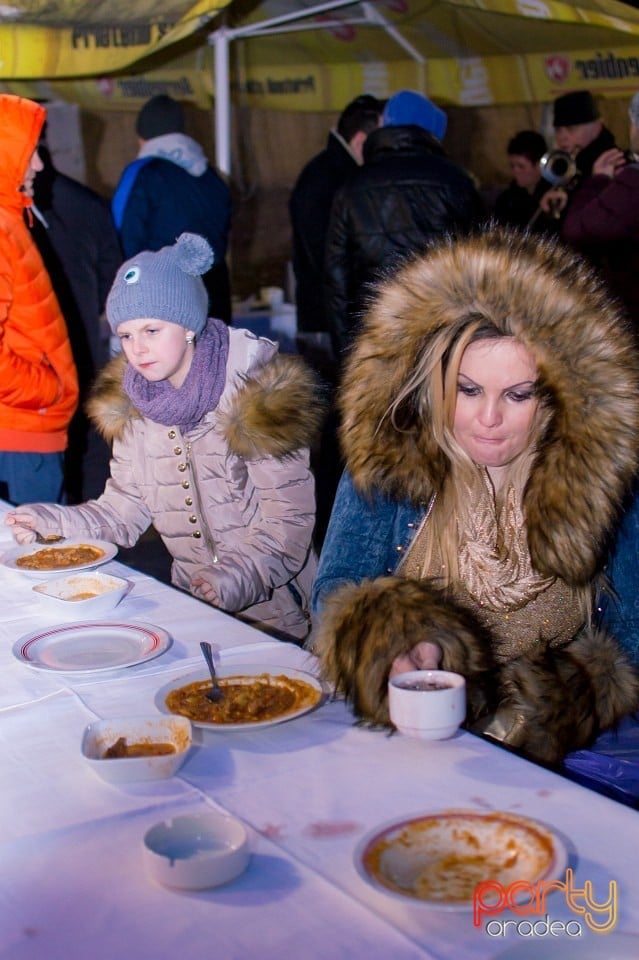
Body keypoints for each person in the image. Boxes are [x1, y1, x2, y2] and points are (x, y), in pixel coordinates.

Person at [311, 228, 639, 765]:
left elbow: (632, 629)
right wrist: (392, 642)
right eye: (468, 391)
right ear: (437, 383)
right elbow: (336, 591)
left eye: (518, 395)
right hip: (415, 737)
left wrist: (567, 702)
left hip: (565, 756)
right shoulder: (395, 457)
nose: (489, 419)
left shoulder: (601, 475)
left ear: (558, 395)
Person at [6, 233, 322, 643]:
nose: (137, 349)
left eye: (152, 330)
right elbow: (122, 513)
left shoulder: (257, 393)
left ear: (188, 325)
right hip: (194, 606)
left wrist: (235, 577)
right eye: (126, 335)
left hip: (278, 613)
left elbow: (289, 523)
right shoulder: (135, 404)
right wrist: (55, 523)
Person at [324, 89, 484, 360]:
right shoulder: (456, 183)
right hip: (442, 339)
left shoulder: (351, 188)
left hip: (376, 341)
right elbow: (481, 269)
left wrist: (346, 353)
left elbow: (337, 279)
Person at [31, 142, 122, 501]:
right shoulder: (87, 203)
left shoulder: (14, 211)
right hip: (84, 354)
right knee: (90, 462)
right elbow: (110, 283)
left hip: (33, 372)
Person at [0, 94, 78, 506]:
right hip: (20, 434)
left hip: (24, 430)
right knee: (37, 564)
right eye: (30, 152)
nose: (39, 165)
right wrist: (47, 388)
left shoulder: (11, 217)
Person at [112, 95, 232, 324]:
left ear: (142, 136)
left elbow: (123, 233)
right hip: (214, 292)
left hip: (163, 293)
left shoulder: (142, 173)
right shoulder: (210, 175)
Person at [289, 93, 384, 341]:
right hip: (328, 325)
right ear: (361, 141)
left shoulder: (327, 173)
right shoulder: (329, 180)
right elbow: (325, 259)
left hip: (328, 321)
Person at [560, 92, 639, 336]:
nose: (563, 137)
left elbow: (578, 231)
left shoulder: (630, 177)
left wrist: (597, 182)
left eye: (571, 128)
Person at [539, 90, 618, 220]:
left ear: (596, 127)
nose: (562, 137)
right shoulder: (562, 165)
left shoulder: (614, 161)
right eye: (558, 130)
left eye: (571, 128)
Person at [493, 130, 555, 232]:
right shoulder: (506, 200)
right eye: (512, 166)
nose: (515, 171)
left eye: (521, 166)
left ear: (539, 165)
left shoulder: (552, 196)